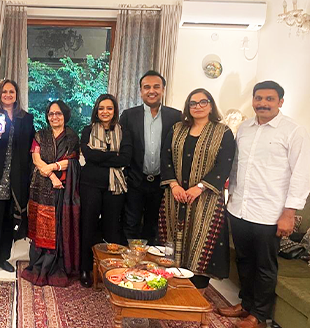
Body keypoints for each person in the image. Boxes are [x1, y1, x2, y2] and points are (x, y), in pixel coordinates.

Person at [218, 81, 310, 328]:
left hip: (270, 213)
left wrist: (289, 212)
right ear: (253, 100)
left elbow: (301, 174)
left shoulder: (293, 131)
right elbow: (237, 167)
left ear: (280, 101)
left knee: (265, 266)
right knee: (244, 260)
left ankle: (259, 315)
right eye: (259, 98)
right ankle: (245, 304)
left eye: (269, 99)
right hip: (240, 208)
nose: (263, 103)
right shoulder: (245, 128)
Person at [158, 88, 235, 290]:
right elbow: (165, 158)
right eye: (193, 103)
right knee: (172, 236)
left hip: (206, 198)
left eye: (203, 102)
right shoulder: (177, 128)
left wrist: (199, 188)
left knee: (201, 238)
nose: (198, 106)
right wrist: (174, 185)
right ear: (187, 107)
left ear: (211, 105)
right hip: (175, 195)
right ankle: (170, 279)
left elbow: (224, 164)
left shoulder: (223, 132)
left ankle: (196, 287)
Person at [21, 100, 80, 286]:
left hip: (62, 189)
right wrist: (52, 176)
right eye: (51, 114)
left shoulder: (71, 137)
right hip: (41, 188)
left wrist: (52, 169)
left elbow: (70, 162)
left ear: (65, 115)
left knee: (58, 226)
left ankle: (56, 264)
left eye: (58, 113)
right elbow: (36, 159)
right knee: (41, 226)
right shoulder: (40, 135)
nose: (54, 117)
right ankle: (39, 263)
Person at [0, 79, 35, 276]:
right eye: (4, 92)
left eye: (11, 92)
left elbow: (31, 147)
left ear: (17, 95)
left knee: (9, 220)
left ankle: (3, 257)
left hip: (16, 176)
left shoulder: (26, 118)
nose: (8, 95)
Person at [120, 70, 181, 243]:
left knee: (154, 227)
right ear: (140, 91)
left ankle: (148, 266)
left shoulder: (175, 116)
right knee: (130, 223)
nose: (151, 91)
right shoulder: (128, 115)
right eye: (146, 87)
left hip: (162, 182)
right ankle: (130, 264)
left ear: (163, 90)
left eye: (156, 87)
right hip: (135, 180)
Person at [79, 94, 132, 287]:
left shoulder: (124, 131)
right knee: (88, 227)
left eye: (109, 108)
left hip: (115, 187)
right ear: (96, 110)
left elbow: (125, 159)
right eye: (101, 108)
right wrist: (112, 155)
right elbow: (89, 156)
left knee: (112, 229)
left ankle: (111, 270)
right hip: (90, 184)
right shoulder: (87, 130)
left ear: (115, 111)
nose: (105, 112)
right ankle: (85, 269)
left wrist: (100, 155)